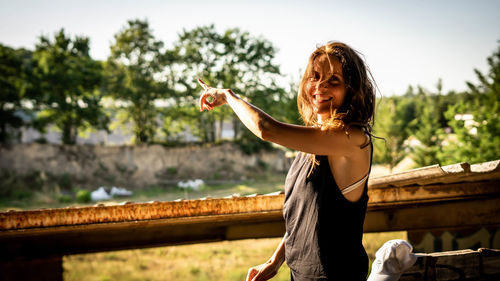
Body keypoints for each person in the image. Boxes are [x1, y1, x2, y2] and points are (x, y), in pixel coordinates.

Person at [198, 41, 376, 281]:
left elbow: (266, 129)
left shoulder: (352, 140)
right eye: (314, 76)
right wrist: (275, 261)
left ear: (351, 89)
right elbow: (307, 213)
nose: (320, 86)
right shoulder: (314, 141)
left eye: (334, 81)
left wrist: (228, 96)